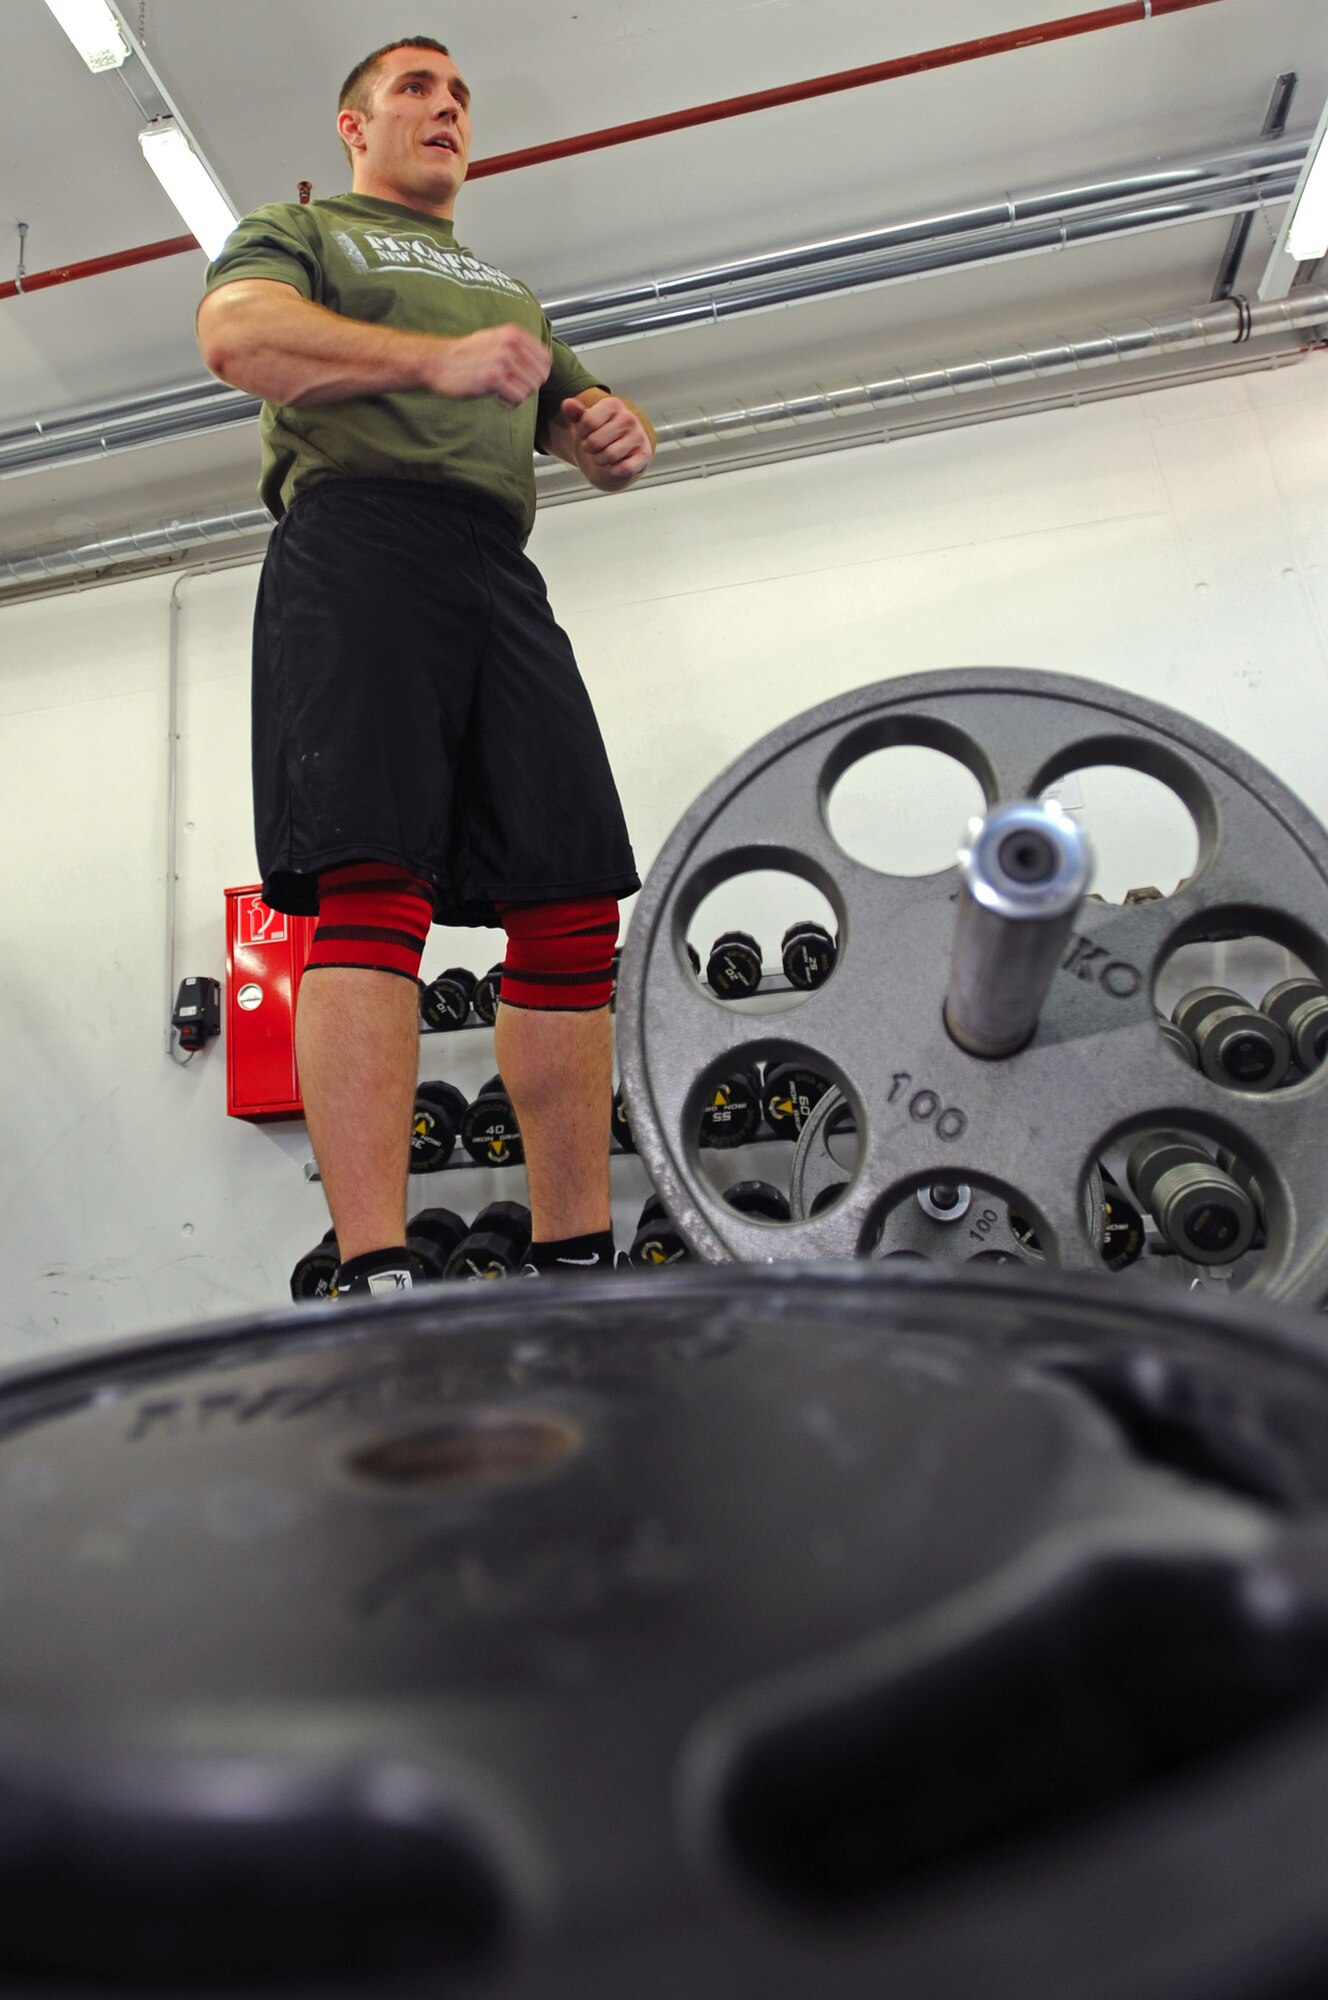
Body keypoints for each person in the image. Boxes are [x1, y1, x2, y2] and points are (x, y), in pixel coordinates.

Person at [197, 36, 655, 1295]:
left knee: (570, 904)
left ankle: (577, 1255)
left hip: (493, 565)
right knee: (372, 885)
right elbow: (235, 336)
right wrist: (426, 363)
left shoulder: (507, 289)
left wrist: (611, 430)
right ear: (354, 128)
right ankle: (379, 1264)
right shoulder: (308, 234)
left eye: (457, 97)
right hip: (357, 534)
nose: (445, 109)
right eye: (414, 89)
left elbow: (588, 425)